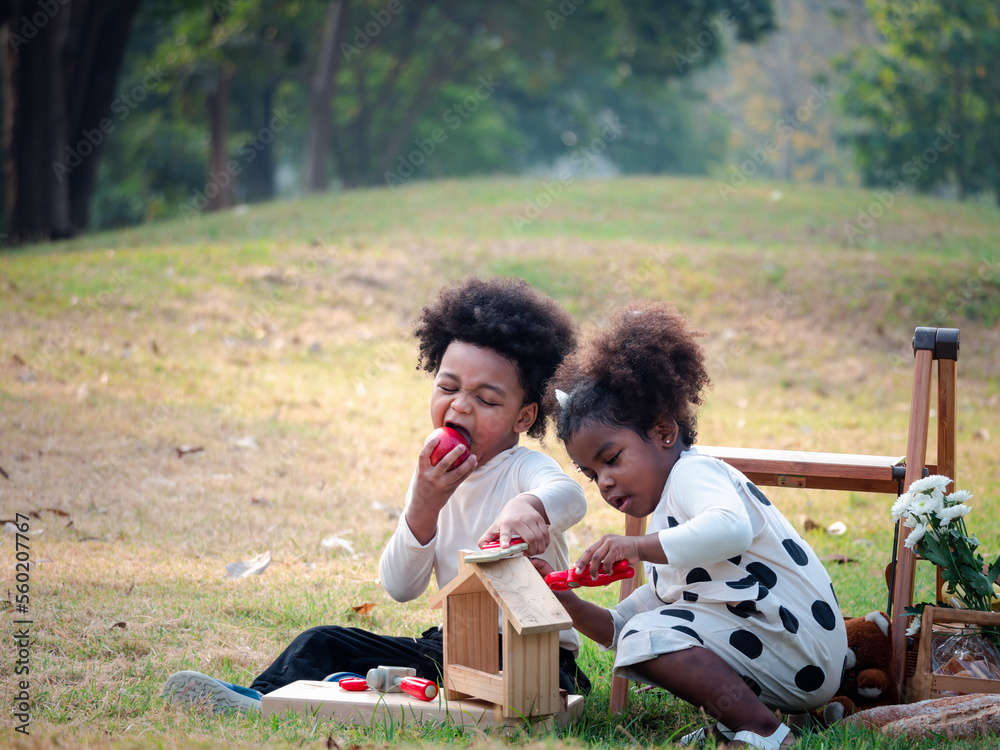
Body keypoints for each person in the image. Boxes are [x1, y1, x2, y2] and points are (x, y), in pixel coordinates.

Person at [162, 276, 590, 713]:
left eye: (486, 399)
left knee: (460, 687)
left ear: (524, 416)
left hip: (537, 657)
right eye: (448, 387)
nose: (460, 405)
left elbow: (571, 495)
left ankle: (356, 690)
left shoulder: (524, 470)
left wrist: (527, 506)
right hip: (453, 646)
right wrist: (424, 503)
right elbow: (400, 587)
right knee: (321, 641)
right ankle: (259, 700)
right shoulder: (433, 474)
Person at [532, 302, 847, 750]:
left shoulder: (694, 474)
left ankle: (765, 732)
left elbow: (731, 529)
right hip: (783, 652)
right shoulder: (670, 524)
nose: (603, 480)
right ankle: (736, 723)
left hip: (796, 646)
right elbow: (620, 632)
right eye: (590, 472)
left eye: (612, 458)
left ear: (663, 432)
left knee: (650, 634)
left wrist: (636, 547)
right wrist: (566, 601)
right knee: (641, 634)